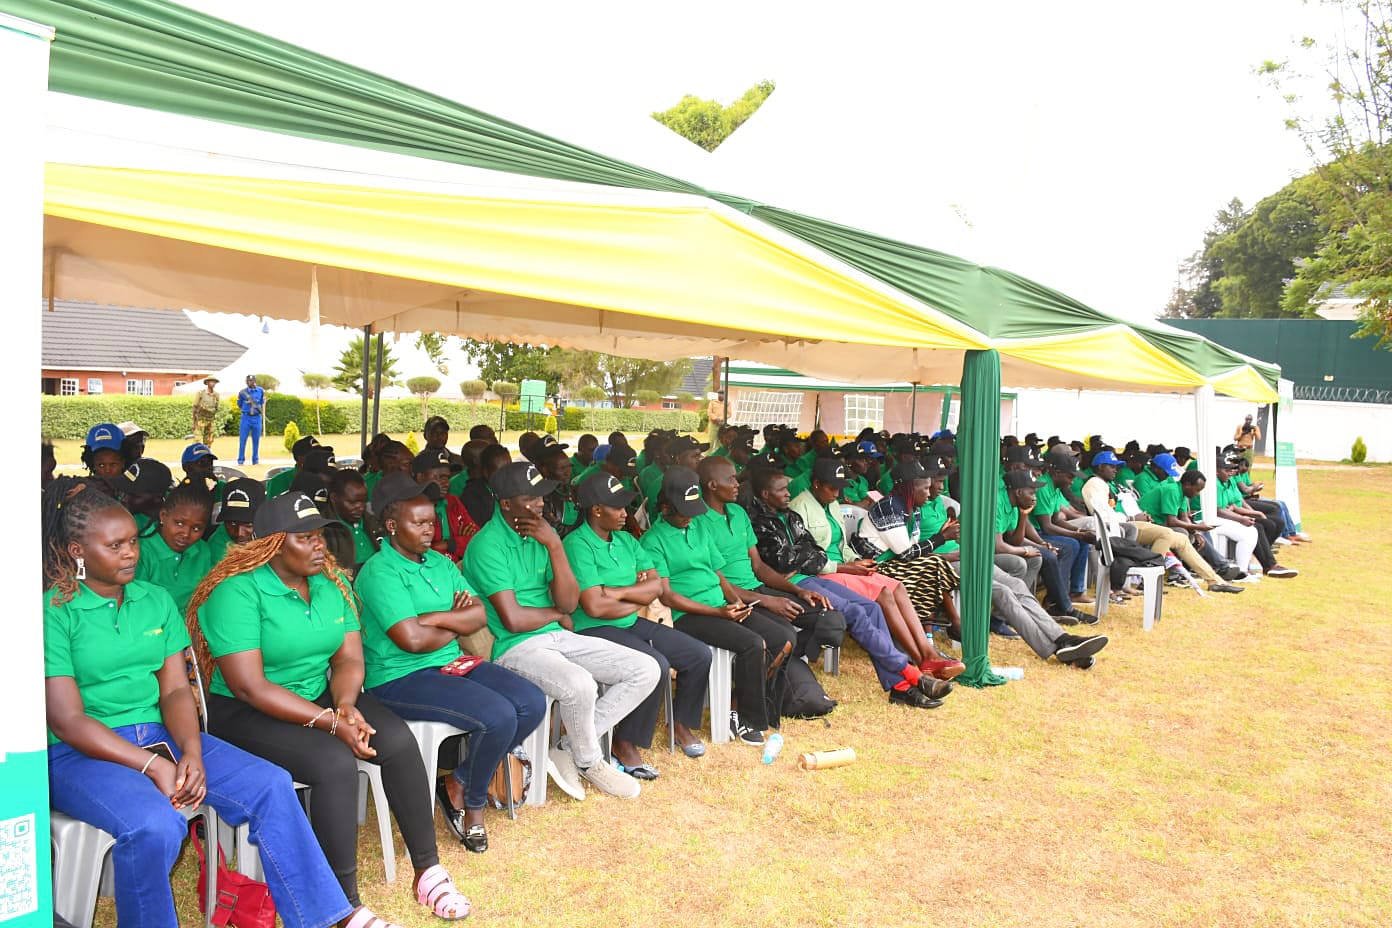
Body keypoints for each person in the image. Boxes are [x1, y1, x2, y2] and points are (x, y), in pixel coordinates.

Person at [40, 479, 358, 928]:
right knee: (154, 825)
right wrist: (152, 767)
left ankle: (325, 916)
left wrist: (190, 751)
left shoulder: (154, 602)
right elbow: (68, 720)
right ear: (77, 551)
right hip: (79, 753)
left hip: (159, 736)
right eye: (115, 546)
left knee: (271, 784)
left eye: (132, 541)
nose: (130, 553)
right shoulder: (53, 611)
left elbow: (175, 690)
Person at [192, 492, 472, 921]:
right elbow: (249, 686)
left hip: (318, 695)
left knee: (395, 739)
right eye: (305, 538)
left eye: (320, 536)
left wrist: (343, 705)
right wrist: (329, 723)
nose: (319, 546)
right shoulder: (237, 592)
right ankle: (342, 905)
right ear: (270, 544)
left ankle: (428, 869)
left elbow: (348, 659)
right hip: (245, 709)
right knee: (333, 763)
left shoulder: (330, 585)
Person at [355, 474, 545, 851]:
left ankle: (457, 780)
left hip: (449, 661)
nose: (431, 529)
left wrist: (432, 620)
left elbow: (477, 616)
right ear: (392, 526)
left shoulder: (440, 563)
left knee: (531, 702)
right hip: (398, 676)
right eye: (419, 523)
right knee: (499, 715)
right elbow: (409, 641)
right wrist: (450, 619)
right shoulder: (380, 572)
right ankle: (473, 808)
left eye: (432, 521)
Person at [461, 462, 660, 800]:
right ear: (506, 504)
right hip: (516, 647)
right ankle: (590, 761)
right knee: (579, 684)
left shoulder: (542, 536)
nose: (540, 504)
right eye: (531, 498)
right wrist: (555, 613)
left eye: (542, 496)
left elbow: (568, 604)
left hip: (558, 636)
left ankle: (568, 747)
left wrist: (554, 546)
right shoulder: (487, 545)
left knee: (646, 669)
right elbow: (513, 619)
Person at [746, 464, 954, 708]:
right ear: (765, 494)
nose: (788, 493)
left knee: (873, 608)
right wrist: (803, 559)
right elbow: (783, 560)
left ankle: (901, 686)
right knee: (856, 611)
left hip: (809, 575)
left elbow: (809, 548)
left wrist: (805, 558)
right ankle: (912, 676)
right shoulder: (761, 523)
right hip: (791, 583)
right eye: (781, 490)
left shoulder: (789, 516)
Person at [564, 472, 712, 771]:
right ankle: (624, 741)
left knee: (698, 654)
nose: (625, 514)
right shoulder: (577, 544)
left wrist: (616, 593)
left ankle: (681, 724)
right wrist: (636, 596)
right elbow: (593, 606)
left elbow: (655, 586)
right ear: (596, 510)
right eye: (618, 508)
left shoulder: (626, 541)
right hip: (594, 629)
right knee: (654, 664)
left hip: (628, 620)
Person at [643, 467, 795, 745]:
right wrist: (718, 612)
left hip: (720, 604)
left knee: (783, 636)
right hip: (689, 613)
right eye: (682, 510)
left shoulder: (699, 526)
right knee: (753, 643)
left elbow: (718, 573)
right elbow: (667, 596)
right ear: (668, 505)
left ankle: (739, 703)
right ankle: (747, 720)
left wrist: (735, 602)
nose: (689, 516)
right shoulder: (653, 540)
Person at [788, 457, 964, 680]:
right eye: (833, 488)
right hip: (823, 573)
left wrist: (856, 561)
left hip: (847, 565)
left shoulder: (830, 504)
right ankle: (919, 660)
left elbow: (841, 546)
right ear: (816, 484)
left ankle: (928, 653)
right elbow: (806, 559)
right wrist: (848, 567)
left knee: (897, 587)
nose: (837, 495)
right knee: (885, 594)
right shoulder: (799, 509)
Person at [850, 460, 964, 627]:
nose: (928, 493)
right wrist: (941, 538)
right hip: (873, 566)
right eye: (924, 488)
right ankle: (948, 624)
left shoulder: (913, 509)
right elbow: (906, 554)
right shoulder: (888, 507)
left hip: (893, 563)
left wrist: (940, 536)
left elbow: (913, 551)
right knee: (932, 566)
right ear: (910, 488)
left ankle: (936, 628)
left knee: (933, 565)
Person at [1137, 468, 1246, 593]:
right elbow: (1172, 521)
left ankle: (1214, 580)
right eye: (1197, 489)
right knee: (1182, 533)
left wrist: (1196, 532)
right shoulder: (1172, 490)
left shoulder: (1182, 492)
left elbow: (1183, 517)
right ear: (1187, 485)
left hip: (1157, 526)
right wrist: (1198, 527)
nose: (1198, 494)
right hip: (1141, 525)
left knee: (1188, 536)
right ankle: (1160, 578)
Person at [134, 482, 215, 614]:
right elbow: (138, 608)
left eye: (196, 528)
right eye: (179, 523)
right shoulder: (141, 552)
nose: (185, 534)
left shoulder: (202, 551)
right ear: (163, 516)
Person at [411, 449, 479, 562]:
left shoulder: (452, 502)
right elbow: (420, 552)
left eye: (447, 477)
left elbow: (477, 540)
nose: (446, 482)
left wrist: (449, 544)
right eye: (439, 477)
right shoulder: (412, 508)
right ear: (420, 477)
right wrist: (460, 540)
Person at [324, 469, 380, 571]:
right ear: (334, 498)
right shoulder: (325, 531)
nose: (361, 507)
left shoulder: (373, 522)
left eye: (363, 501)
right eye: (352, 502)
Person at [204, 478, 267, 563]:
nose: (239, 533)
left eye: (248, 524)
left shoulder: (278, 537)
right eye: (232, 523)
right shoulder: (217, 543)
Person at [81, 422, 126, 488]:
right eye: (101, 465)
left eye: (113, 464)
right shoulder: (83, 489)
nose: (107, 470)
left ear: (123, 462)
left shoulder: (136, 489)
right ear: (92, 464)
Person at [236, 375, 266, 466]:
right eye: (248, 381)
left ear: (254, 381)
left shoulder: (260, 391)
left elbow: (261, 402)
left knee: (256, 440)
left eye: (251, 381)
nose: (249, 382)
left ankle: (255, 460)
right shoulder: (242, 392)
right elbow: (239, 404)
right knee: (243, 440)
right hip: (246, 418)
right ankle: (241, 460)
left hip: (256, 418)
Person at [192, 376, 221, 447]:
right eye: (211, 382)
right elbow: (195, 407)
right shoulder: (201, 393)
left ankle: (207, 454)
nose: (213, 383)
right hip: (200, 419)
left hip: (210, 420)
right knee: (197, 440)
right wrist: (194, 421)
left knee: (209, 440)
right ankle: (196, 454)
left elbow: (217, 408)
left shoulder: (216, 395)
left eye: (214, 382)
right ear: (207, 383)